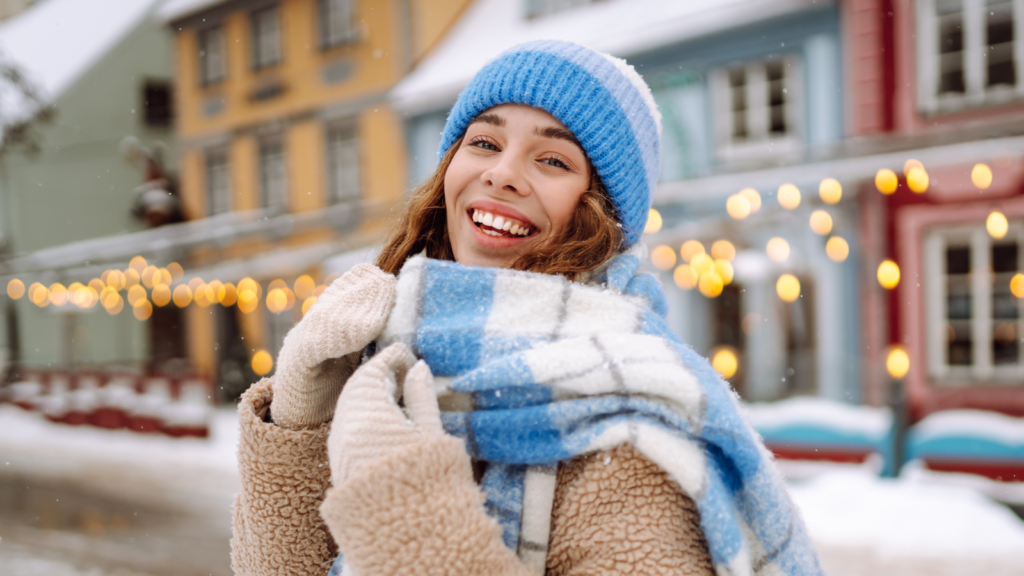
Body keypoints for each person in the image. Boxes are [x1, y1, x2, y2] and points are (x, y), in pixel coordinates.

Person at [230, 40, 821, 576]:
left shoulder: (631, 444)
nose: (502, 174)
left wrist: (414, 529)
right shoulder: (386, 367)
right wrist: (301, 417)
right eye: (484, 142)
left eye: (553, 160)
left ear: (601, 214)